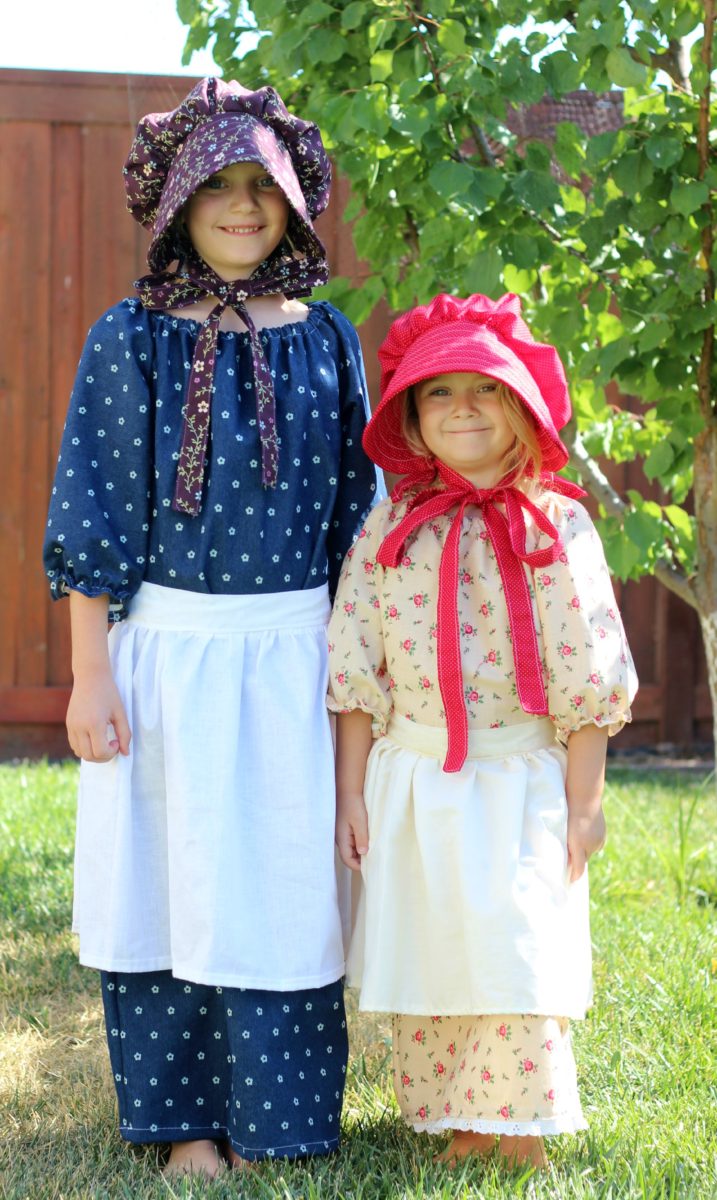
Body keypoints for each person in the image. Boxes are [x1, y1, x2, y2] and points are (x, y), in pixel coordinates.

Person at [43, 77, 381, 1179]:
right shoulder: (130, 339)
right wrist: (91, 675)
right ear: (179, 200)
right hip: (166, 658)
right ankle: (185, 1126)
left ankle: (281, 1121)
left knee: (284, 882)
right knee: (168, 879)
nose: (242, 207)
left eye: (262, 187)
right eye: (218, 186)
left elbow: (358, 526)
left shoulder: (327, 341)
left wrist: (363, 678)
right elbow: (92, 510)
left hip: (293, 656)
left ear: (293, 202)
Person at [328, 292, 637, 1170]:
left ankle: (514, 1123)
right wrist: (351, 791)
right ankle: (452, 1112)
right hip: (413, 772)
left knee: (511, 941)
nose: (461, 407)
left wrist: (585, 802)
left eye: (483, 389)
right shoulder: (386, 530)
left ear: (521, 408)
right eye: (437, 393)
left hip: (519, 773)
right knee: (429, 940)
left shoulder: (554, 525)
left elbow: (587, 670)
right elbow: (356, 667)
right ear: (410, 421)